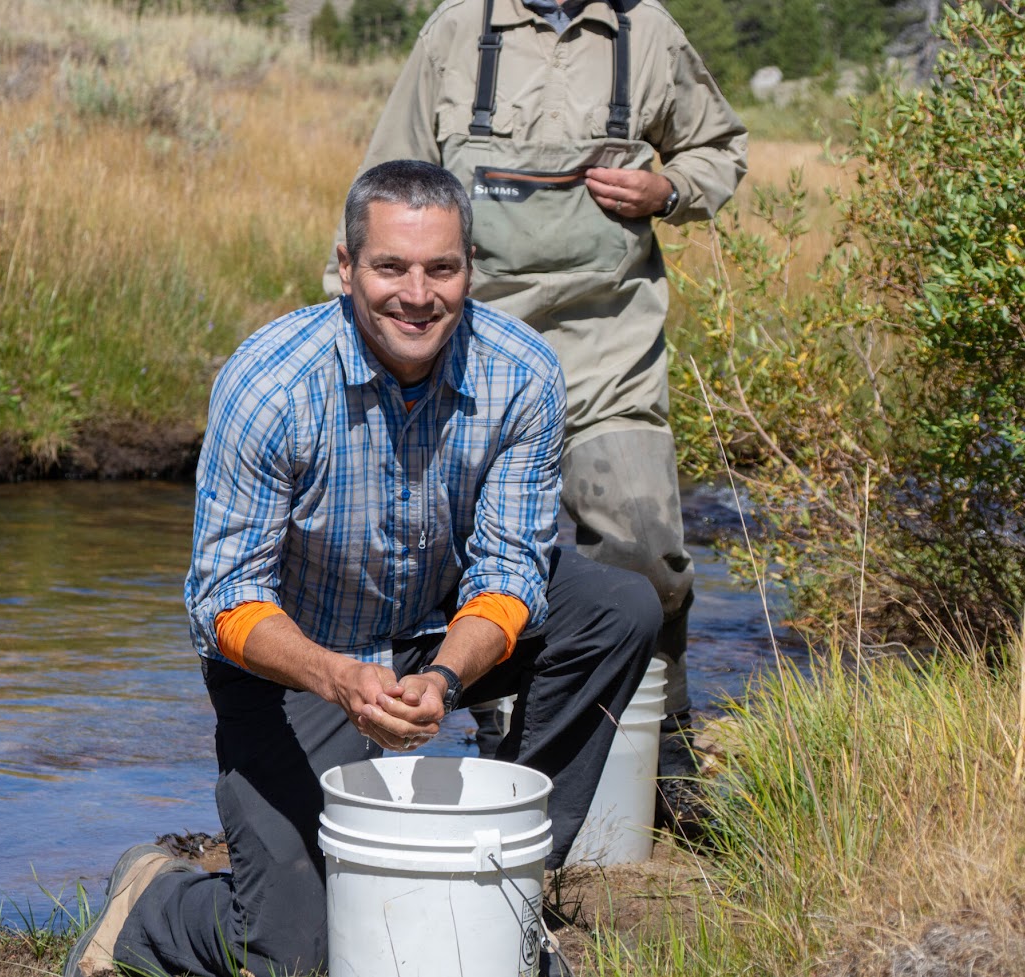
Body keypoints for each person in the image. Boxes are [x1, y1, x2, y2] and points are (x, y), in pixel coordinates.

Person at [64, 159, 659, 977]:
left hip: (436, 631)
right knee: (295, 953)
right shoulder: (271, 384)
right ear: (345, 268)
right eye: (390, 267)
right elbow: (222, 601)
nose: (418, 295)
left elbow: (513, 566)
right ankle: (153, 902)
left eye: (441, 268)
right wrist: (339, 679)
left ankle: (509, 877)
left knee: (619, 605)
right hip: (292, 665)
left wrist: (447, 677)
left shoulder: (523, 372)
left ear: (469, 269)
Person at [323, 0, 748, 772]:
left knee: (649, 554)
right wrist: (348, 317)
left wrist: (668, 193)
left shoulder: (646, 31)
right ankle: (502, 740)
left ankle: (668, 738)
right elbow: (382, 183)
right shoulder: (456, 31)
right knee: (465, 557)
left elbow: (720, 149)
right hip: (468, 351)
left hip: (606, 346)